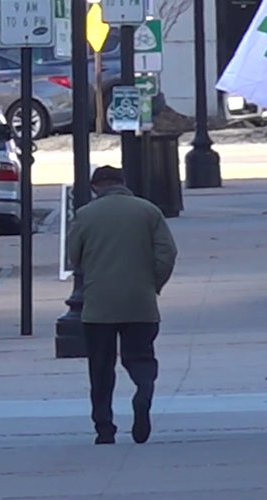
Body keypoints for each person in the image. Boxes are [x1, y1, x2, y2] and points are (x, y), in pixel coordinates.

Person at [67, 165, 178, 445]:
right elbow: (167, 252)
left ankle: (104, 427)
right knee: (141, 357)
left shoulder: (85, 215)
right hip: (140, 302)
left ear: (95, 187)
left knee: (101, 368)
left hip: (98, 304)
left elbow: (73, 256)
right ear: (123, 183)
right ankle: (143, 392)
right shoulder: (148, 211)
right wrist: (153, 283)